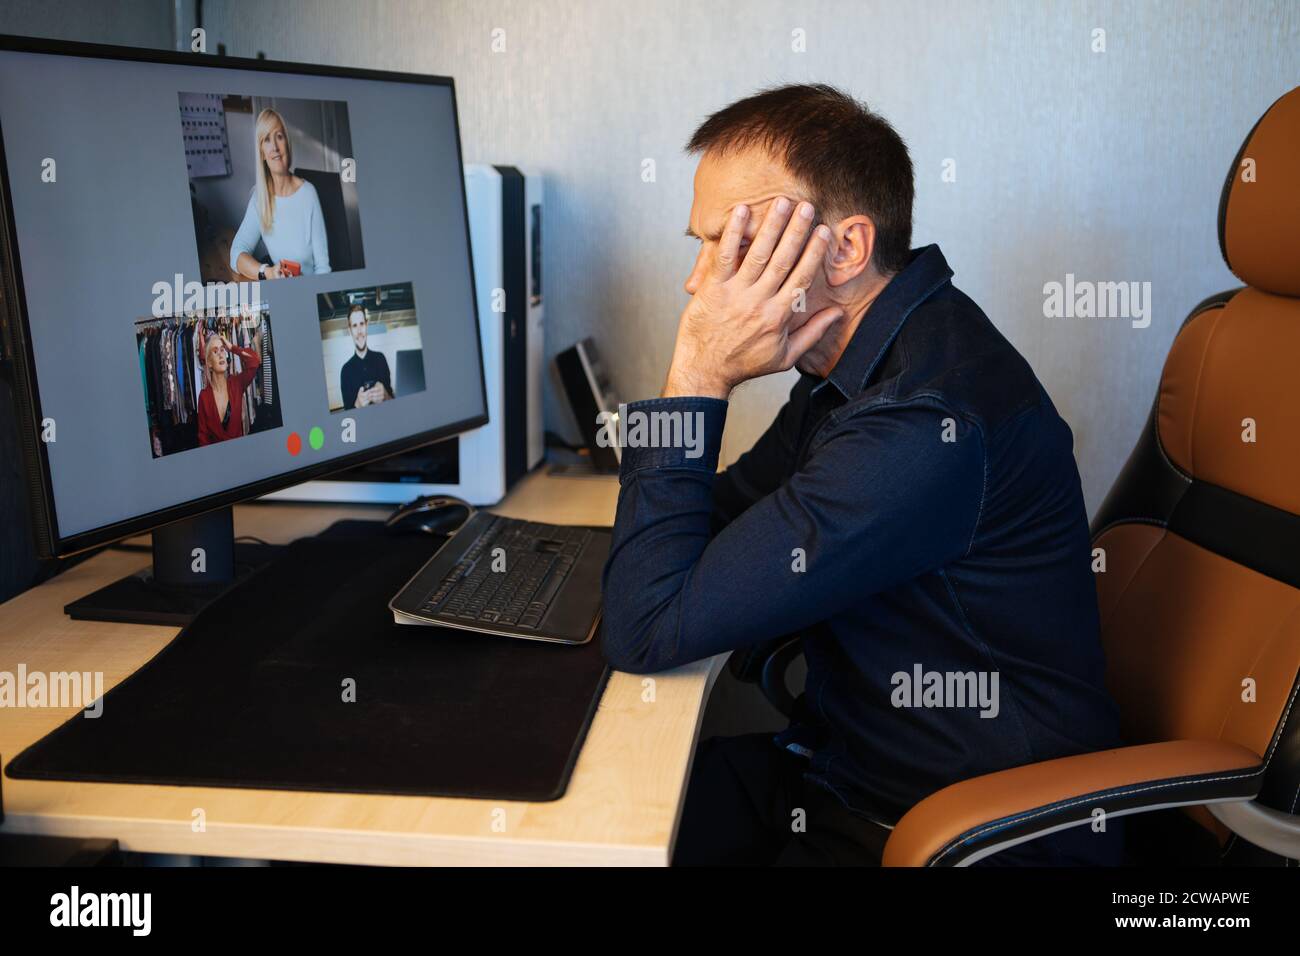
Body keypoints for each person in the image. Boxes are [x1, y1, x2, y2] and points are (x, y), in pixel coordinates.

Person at [599, 84, 1124, 866]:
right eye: (698, 244)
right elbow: (722, 518)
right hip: (848, 776)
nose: (695, 281)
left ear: (843, 249)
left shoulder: (922, 419)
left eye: (725, 241)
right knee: (611, 810)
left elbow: (644, 628)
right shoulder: (850, 367)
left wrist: (699, 371)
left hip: (955, 834)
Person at [229, 107, 331, 280]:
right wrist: (267, 272)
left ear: (287, 144)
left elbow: (323, 269)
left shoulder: (308, 194)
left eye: (279, 136)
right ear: (261, 152)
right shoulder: (259, 198)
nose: (275, 147)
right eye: (267, 139)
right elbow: (236, 254)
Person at [197, 329, 261, 446]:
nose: (221, 354)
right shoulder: (204, 397)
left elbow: (255, 361)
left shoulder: (236, 383)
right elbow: (203, 437)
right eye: (215, 352)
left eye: (222, 350)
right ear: (209, 363)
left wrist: (232, 348)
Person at [339, 303, 392, 409]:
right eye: (354, 326)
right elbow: (347, 420)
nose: (359, 331)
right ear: (350, 331)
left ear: (366, 325)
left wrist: (385, 396)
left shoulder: (380, 359)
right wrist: (357, 404)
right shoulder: (345, 371)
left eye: (361, 324)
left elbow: (393, 403)